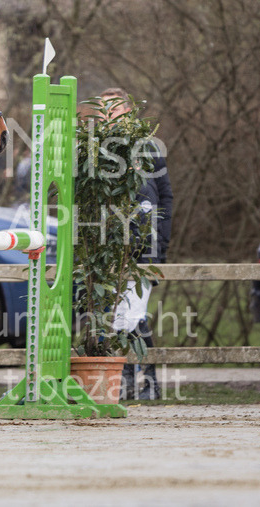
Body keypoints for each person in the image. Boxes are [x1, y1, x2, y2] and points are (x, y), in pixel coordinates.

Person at [100, 87, 173, 400]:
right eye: (104, 109)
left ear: (128, 112)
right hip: (112, 246)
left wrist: (161, 244)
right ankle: (131, 381)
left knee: (134, 315)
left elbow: (165, 196)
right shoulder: (100, 150)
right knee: (123, 316)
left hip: (145, 245)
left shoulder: (149, 148)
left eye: (114, 108)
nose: (108, 115)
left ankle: (148, 382)